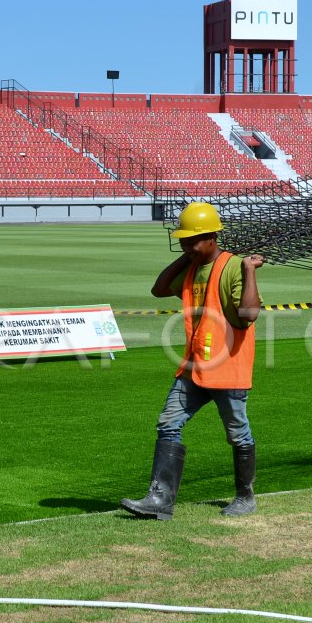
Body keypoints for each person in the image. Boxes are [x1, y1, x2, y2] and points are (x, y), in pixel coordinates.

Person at [121, 202, 265, 521]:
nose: (186, 246)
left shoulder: (233, 267)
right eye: (183, 241)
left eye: (192, 241)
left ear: (213, 238)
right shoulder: (192, 266)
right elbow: (159, 289)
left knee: (237, 434)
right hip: (194, 366)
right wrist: (187, 255)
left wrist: (249, 271)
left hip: (228, 367)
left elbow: (248, 316)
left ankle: (245, 497)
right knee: (168, 424)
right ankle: (159, 500)